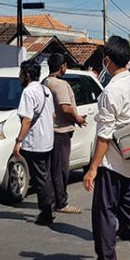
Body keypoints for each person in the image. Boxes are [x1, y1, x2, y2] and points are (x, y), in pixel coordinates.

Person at [80, 36, 130, 260]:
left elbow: (104, 135)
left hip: (112, 161)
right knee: (129, 208)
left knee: (103, 212)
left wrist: (92, 168)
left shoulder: (111, 90)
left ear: (107, 60)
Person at [13, 59, 56, 226]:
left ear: (27, 75)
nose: (19, 77)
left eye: (21, 74)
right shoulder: (45, 90)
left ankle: (46, 212)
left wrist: (18, 141)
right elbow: (52, 116)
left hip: (35, 142)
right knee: (45, 176)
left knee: (40, 179)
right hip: (47, 140)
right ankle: (49, 208)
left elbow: (27, 120)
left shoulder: (28, 93)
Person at [43, 53, 87, 215]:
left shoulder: (45, 82)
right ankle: (61, 202)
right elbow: (65, 107)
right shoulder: (60, 84)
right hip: (60, 132)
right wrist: (78, 119)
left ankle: (53, 199)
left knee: (53, 169)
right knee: (61, 169)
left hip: (49, 132)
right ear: (62, 67)